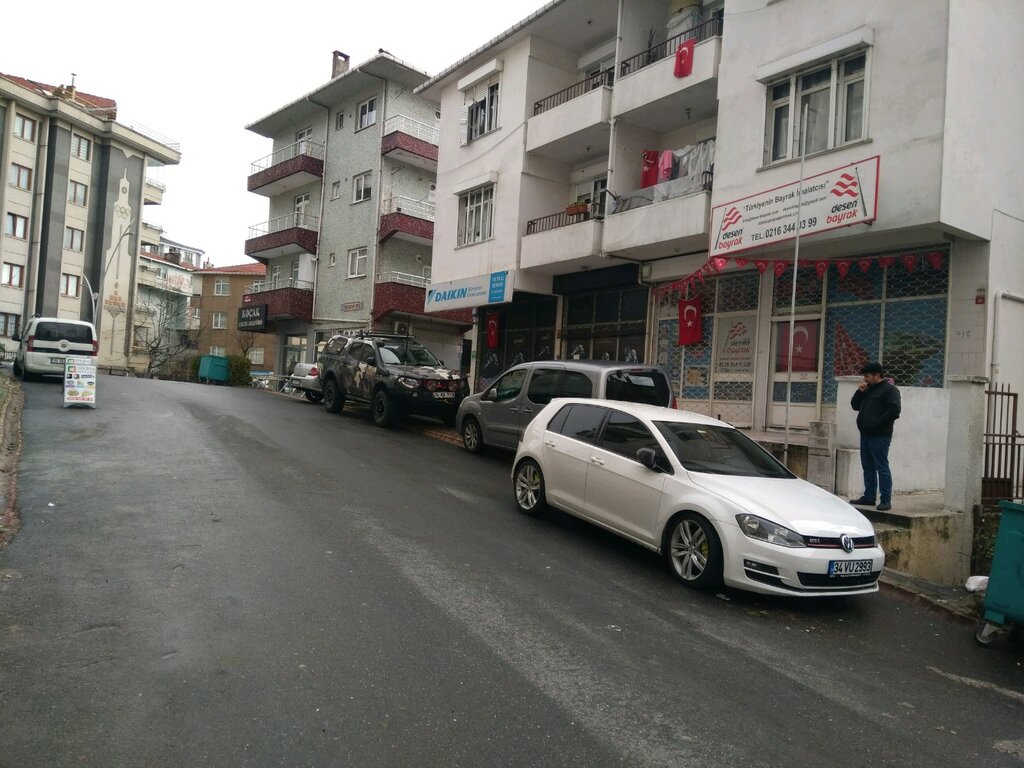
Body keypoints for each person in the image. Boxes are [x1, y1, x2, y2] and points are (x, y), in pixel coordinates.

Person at [850, 362, 901, 511]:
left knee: (881, 466)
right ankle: (869, 497)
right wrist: (860, 392)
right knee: (868, 466)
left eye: (867, 376)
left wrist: (877, 422)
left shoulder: (890, 390)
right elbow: (855, 406)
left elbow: (894, 410)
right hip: (865, 433)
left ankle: (885, 500)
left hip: (880, 434)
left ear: (876, 375)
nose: (865, 379)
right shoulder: (868, 389)